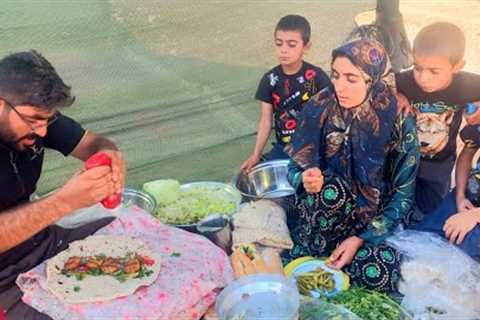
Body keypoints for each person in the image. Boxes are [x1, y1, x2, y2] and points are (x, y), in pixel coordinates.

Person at [283, 38, 420, 292]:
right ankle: (323, 253)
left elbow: (403, 195)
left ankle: (341, 255)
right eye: (335, 75)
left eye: (351, 78)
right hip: (325, 213)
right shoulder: (319, 106)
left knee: (379, 273)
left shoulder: (399, 122)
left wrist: (360, 239)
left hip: (373, 221)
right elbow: (293, 168)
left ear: (374, 79)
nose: (340, 87)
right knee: (332, 190)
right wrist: (303, 179)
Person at [0, 50, 126, 319]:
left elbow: (92, 143)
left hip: (42, 243)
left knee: (132, 247)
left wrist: (109, 155)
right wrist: (64, 202)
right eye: (33, 120)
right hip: (3, 282)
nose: (43, 131)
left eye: (47, 120)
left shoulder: (36, 117)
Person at [395, 22, 480, 219]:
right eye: (418, 67)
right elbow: (380, 81)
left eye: (434, 71)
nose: (423, 78)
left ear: (457, 66)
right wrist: (397, 93)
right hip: (403, 158)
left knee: (429, 210)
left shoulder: (466, 85)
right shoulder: (405, 81)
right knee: (398, 203)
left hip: (440, 164)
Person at [240, 14, 330, 172]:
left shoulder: (317, 77)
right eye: (279, 44)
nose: (284, 50)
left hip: (314, 148)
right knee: (249, 175)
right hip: (284, 149)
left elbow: (331, 115)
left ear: (306, 47)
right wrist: (256, 154)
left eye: (291, 45)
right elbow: (265, 121)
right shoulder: (270, 79)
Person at [412, 125, 480, 260]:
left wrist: (474, 215)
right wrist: (460, 196)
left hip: (475, 213)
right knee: (420, 238)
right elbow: (467, 153)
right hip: (469, 196)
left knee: (461, 255)